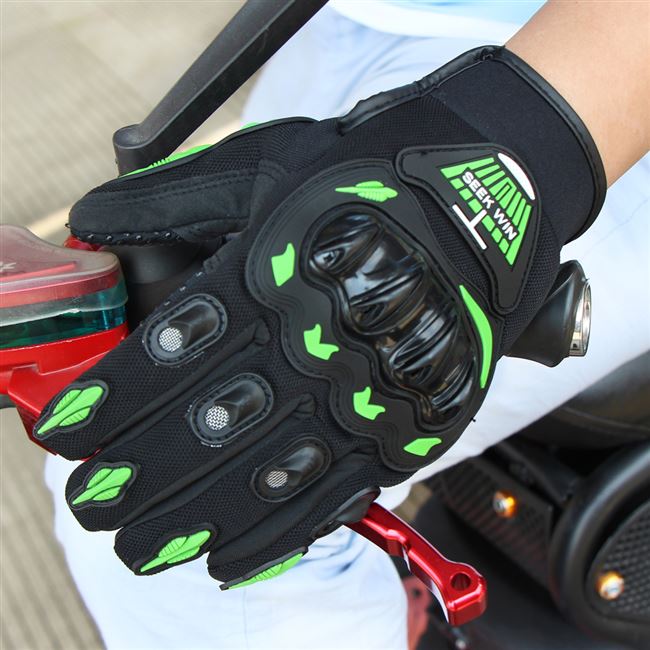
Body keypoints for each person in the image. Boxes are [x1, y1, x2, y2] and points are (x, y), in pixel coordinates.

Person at [42, 2, 649, 649]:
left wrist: (525, 142)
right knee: (158, 387)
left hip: (589, 78)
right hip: (338, 25)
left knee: (202, 513)